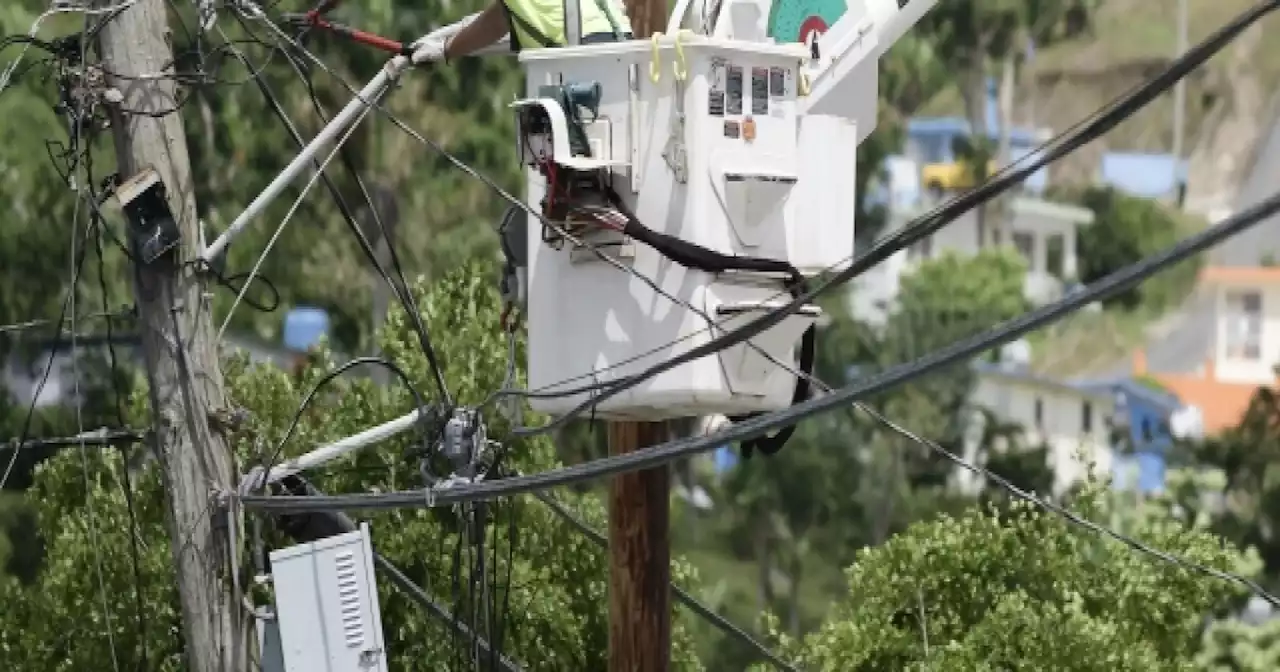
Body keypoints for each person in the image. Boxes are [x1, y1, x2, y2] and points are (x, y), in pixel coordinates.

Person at [412, 0, 634, 63]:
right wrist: (446, 46)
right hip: (623, 44)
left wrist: (445, 49)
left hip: (588, 50)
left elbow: (493, 24)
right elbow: (500, 17)